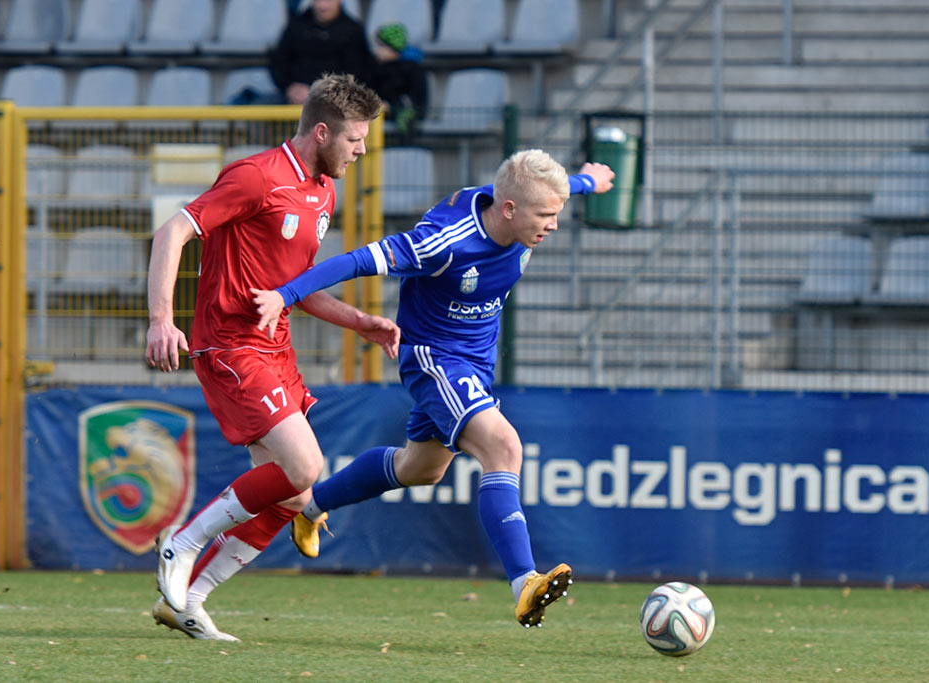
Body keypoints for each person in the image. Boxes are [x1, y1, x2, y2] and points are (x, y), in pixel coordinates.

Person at [251, 150, 615, 628]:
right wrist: (285, 295)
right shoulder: (443, 243)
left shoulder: (524, 204)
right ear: (508, 210)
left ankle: (312, 507)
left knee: (418, 468)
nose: (553, 225)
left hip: (475, 364)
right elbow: (357, 260)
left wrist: (586, 181)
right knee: (504, 448)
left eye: (557, 213)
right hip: (433, 359)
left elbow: (551, 190)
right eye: (546, 216)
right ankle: (524, 582)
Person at [146, 73, 397, 641]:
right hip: (230, 343)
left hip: (274, 347)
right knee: (303, 468)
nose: (361, 151)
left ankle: (189, 600)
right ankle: (181, 545)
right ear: (324, 132)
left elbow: (296, 287)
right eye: (356, 140)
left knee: (297, 495)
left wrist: (361, 322)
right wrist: (163, 319)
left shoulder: (322, 190)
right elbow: (171, 234)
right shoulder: (257, 176)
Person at [269, 0, 376, 106]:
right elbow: (279, 62)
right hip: (294, 101)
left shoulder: (353, 31)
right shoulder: (295, 26)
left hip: (337, 105)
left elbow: (358, 71)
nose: (323, 6)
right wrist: (290, 87)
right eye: (318, 0)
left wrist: (322, 92)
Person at [370, 22, 428, 140]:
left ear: (394, 47)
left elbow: (417, 99)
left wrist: (392, 107)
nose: (376, 51)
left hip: (401, 111)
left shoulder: (412, 70)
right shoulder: (376, 68)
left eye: (381, 46)